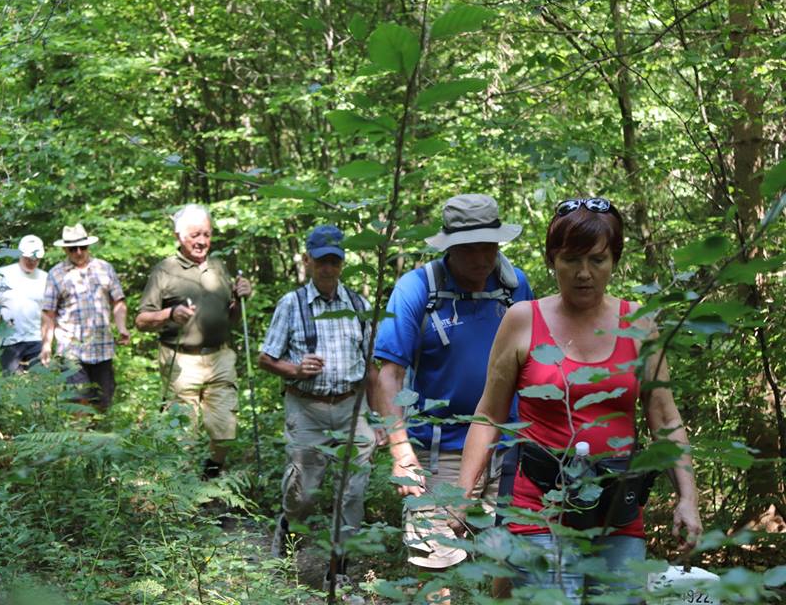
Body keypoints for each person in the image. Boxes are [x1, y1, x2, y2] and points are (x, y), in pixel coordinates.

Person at [456, 197, 702, 603]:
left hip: (617, 509)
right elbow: (489, 414)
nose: (584, 273)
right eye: (571, 259)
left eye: (597, 260)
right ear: (553, 260)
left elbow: (664, 416)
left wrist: (687, 498)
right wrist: (464, 496)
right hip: (539, 507)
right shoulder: (522, 319)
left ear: (614, 261)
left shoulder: (638, 323)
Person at [370, 194, 534, 585]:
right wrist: (401, 452)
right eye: (471, 248)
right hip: (437, 451)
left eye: (490, 247)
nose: (483, 258)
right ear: (449, 248)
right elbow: (388, 376)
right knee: (436, 567)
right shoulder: (416, 291)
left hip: (507, 449)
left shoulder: (514, 287)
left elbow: (534, 363)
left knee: (507, 565)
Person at [258, 224, 377, 598]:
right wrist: (293, 369)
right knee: (303, 493)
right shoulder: (291, 305)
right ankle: (288, 524)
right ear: (308, 260)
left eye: (334, 261)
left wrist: (380, 417)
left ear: (342, 263)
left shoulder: (358, 305)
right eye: (321, 261)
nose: (328, 268)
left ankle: (337, 568)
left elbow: (372, 366)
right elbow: (265, 357)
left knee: (353, 491)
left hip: (351, 407)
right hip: (306, 408)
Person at [135, 204, 251, 480]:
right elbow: (141, 320)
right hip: (181, 359)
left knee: (224, 428)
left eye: (207, 235)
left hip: (220, 357)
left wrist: (242, 298)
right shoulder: (164, 271)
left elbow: (232, 317)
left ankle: (211, 473)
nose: (202, 241)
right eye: (195, 234)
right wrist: (170, 314)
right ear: (178, 236)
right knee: (182, 431)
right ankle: (182, 488)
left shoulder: (220, 268)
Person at [40, 223, 130, 411]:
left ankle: (97, 437)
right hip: (71, 349)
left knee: (103, 401)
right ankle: (80, 437)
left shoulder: (104, 268)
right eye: (73, 248)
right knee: (79, 402)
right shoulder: (56, 274)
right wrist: (47, 345)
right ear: (65, 249)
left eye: (83, 247)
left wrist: (122, 327)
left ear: (89, 246)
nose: (79, 252)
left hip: (102, 347)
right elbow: (49, 313)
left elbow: (118, 302)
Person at [0, 234, 47, 375]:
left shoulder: (45, 278)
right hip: (11, 340)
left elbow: (48, 313)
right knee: (12, 386)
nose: (32, 261)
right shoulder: (4, 274)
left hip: (36, 340)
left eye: (36, 258)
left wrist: (47, 343)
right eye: (29, 257)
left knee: (38, 386)